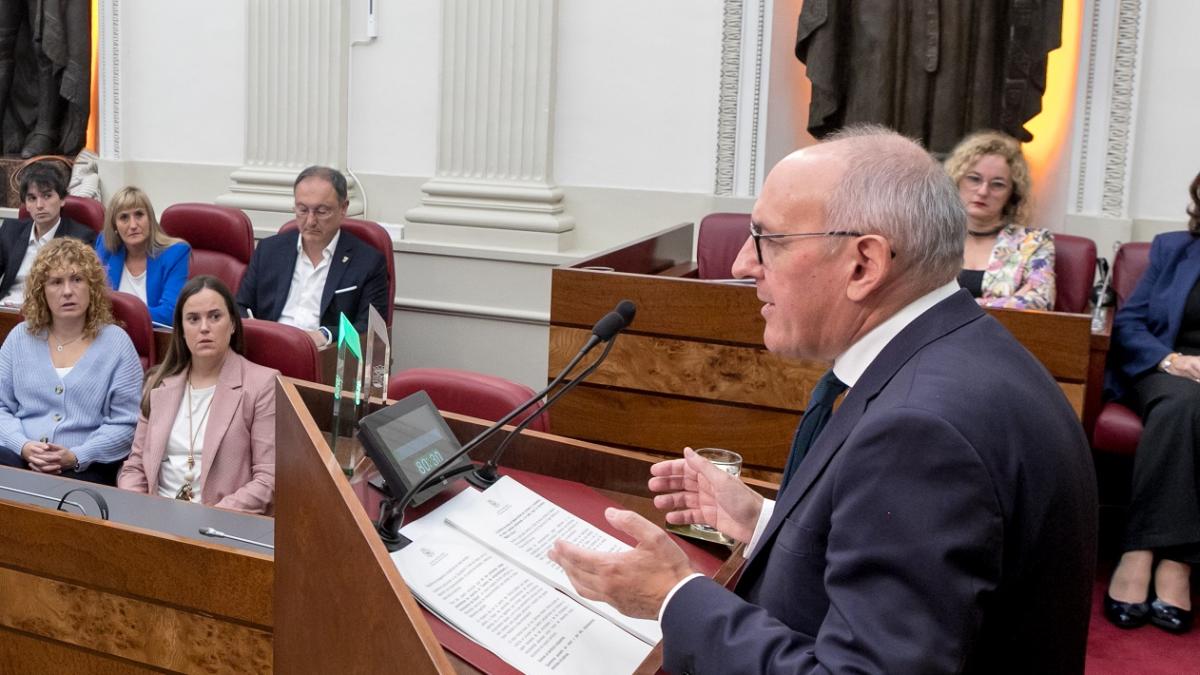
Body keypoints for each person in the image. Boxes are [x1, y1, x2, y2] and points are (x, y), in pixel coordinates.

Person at [548, 127, 1098, 673]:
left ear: (864, 264)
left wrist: (674, 597)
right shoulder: (963, 346)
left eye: (768, 239)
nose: (743, 264)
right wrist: (766, 521)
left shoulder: (919, 433)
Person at [1103, 170, 1200, 635]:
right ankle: (1169, 560)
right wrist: (1172, 360)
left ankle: (1148, 553)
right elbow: (1130, 324)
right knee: (1182, 405)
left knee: (1189, 408)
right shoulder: (1171, 249)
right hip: (1166, 369)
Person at [118, 275, 277, 514]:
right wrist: (139, 513)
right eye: (193, 319)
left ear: (233, 324)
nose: (204, 328)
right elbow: (135, 467)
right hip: (154, 521)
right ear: (181, 330)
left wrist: (209, 519)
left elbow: (267, 480)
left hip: (220, 525)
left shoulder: (262, 385)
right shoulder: (158, 383)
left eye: (215, 317)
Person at [0, 238, 141, 485]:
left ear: (92, 286)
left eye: (77, 279)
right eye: (56, 282)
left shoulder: (117, 343)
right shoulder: (19, 338)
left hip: (86, 469)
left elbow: (126, 424)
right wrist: (22, 445)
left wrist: (77, 455)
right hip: (17, 459)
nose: (67, 291)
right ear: (41, 290)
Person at [235, 165, 388, 347]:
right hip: (268, 349)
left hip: (324, 356)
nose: (310, 221)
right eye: (302, 210)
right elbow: (240, 305)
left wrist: (325, 334)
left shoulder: (368, 261)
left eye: (321, 211)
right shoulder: (269, 250)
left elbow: (370, 326)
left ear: (343, 208)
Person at [945, 130, 1055, 310]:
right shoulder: (932, 236)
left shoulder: (1034, 242)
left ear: (1013, 193)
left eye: (997, 184)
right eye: (974, 179)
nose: (983, 191)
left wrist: (954, 308)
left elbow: (1040, 303)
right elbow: (909, 298)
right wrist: (1010, 301)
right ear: (957, 181)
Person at [0, 161, 96, 306]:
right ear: (26, 204)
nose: (39, 205)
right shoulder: (10, 230)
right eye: (32, 198)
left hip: (50, 315)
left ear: (62, 199)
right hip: (6, 311)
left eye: (47, 196)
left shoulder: (80, 238)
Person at [95, 186, 191, 325]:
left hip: (154, 339)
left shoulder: (175, 253)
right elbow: (91, 298)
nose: (133, 225)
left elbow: (170, 314)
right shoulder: (106, 247)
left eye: (139, 215)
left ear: (150, 219)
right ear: (114, 226)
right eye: (124, 217)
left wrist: (119, 314)